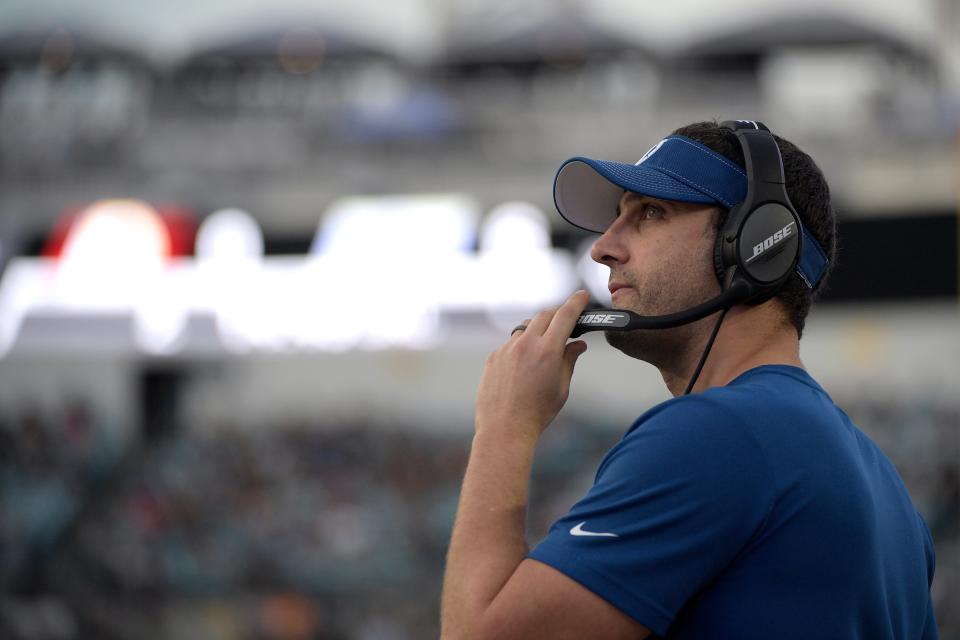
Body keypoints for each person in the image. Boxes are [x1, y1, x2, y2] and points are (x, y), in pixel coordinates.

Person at [440, 120, 938, 639]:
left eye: (651, 213)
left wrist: (503, 427)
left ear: (756, 246)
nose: (602, 247)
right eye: (617, 217)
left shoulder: (717, 433)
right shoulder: (891, 495)